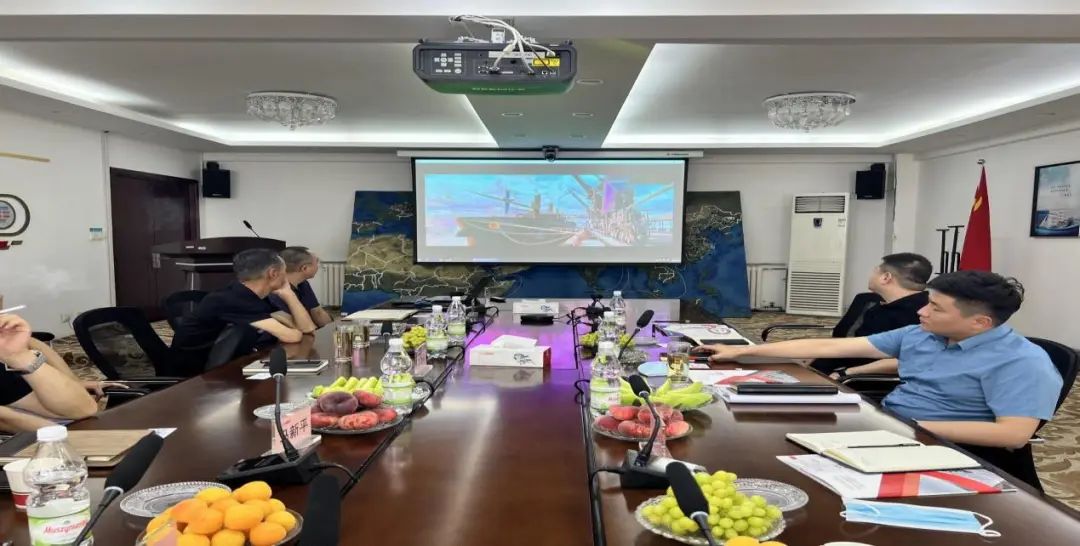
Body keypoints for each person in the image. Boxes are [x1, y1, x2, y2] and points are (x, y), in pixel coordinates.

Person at [697, 271, 1063, 450]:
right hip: (892, 427)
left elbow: (1012, 435)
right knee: (761, 431)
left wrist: (904, 425)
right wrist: (740, 352)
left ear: (980, 322)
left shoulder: (1023, 362)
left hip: (944, 447)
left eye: (935, 308)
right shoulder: (923, 333)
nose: (921, 311)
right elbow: (831, 348)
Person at [170, 249, 307, 374]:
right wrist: (289, 295)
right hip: (193, 375)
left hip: (222, 365)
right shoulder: (235, 300)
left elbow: (305, 328)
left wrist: (289, 296)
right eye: (284, 271)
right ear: (273, 273)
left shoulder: (251, 295)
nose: (286, 277)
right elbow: (293, 336)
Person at [811, 253, 932, 375]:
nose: (871, 276)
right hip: (825, 367)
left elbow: (910, 359)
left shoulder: (926, 312)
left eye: (875, 271)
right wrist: (812, 353)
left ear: (886, 277)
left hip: (858, 378)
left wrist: (847, 373)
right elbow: (839, 337)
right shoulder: (865, 300)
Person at [0, 314, 98, 432]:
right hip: (57, 429)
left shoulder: (13, 344)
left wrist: (21, 357)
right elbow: (81, 410)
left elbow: (84, 408)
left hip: (72, 423)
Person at [268, 246, 333, 329]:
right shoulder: (275, 294)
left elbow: (317, 312)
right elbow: (298, 328)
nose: (318, 266)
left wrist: (334, 330)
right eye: (317, 262)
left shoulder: (303, 284)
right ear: (305, 268)